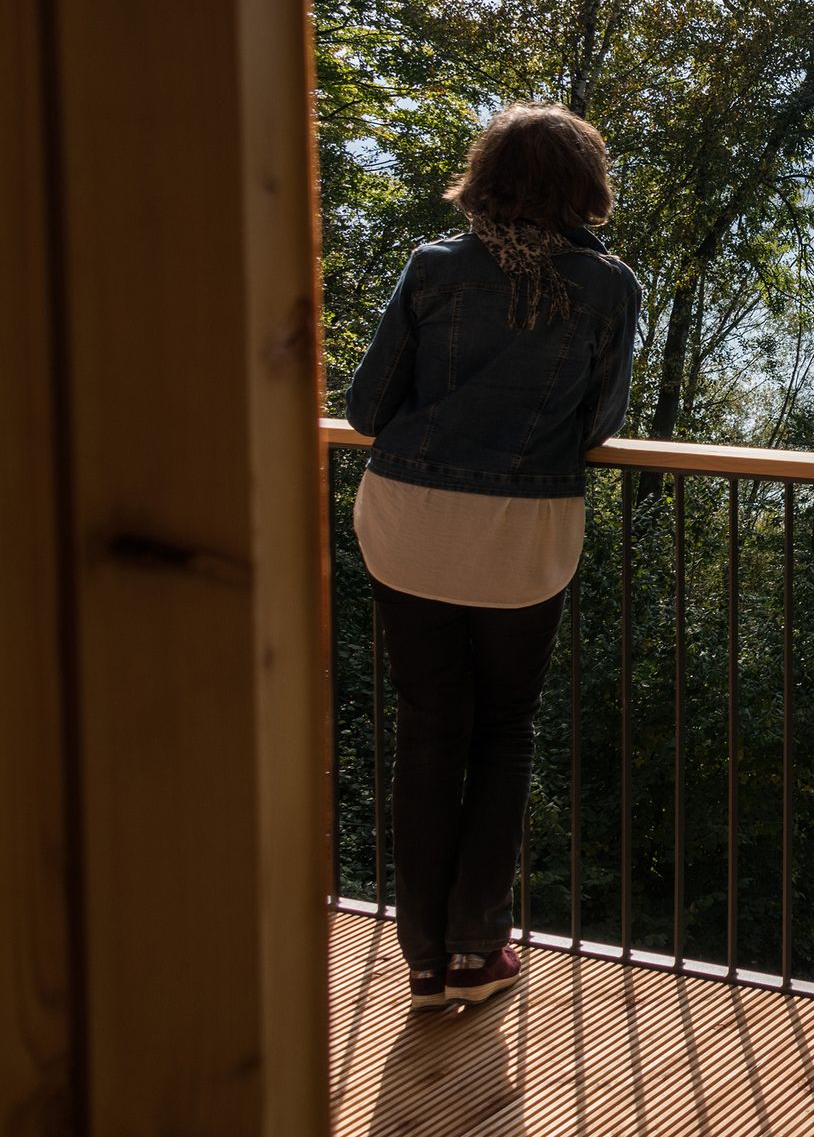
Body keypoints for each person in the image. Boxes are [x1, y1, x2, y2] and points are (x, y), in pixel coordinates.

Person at [345, 103, 640, 1012]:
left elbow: (364, 411)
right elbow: (600, 424)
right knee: (504, 730)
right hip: (520, 535)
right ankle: (480, 951)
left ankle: (423, 964)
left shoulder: (436, 269)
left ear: (486, 177)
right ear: (584, 188)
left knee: (431, 729)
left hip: (410, 522)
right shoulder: (608, 287)